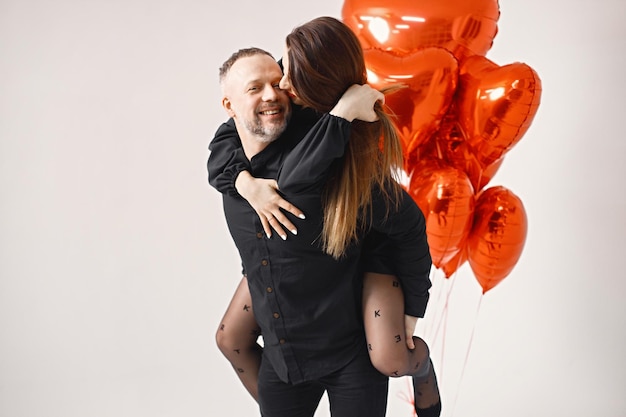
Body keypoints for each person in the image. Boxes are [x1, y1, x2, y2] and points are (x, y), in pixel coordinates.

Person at [209, 17, 440, 417]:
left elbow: (297, 179)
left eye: (279, 79)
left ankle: (420, 366)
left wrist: (344, 112)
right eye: (255, 87)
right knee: (230, 338)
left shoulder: (325, 149)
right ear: (228, 106)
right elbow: (219, 151)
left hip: (352, 309)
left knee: (391, 356)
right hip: (285, 323)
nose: (275, 91)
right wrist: (246, 183)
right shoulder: (230, 150)